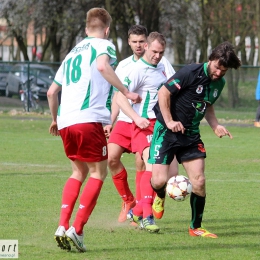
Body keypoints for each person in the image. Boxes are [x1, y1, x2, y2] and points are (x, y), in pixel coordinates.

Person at [47, 7, 141, 253]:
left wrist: (55, 119)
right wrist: (126, 91)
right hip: (87, 119)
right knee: (98, 173)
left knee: (77, 172)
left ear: (86, 28)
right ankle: (77, 230)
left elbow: (51, 92)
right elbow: (102, 67)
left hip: (66, 121)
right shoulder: (103, 45)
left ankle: (61, 225)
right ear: (106, 29)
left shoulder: (70, 54)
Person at [148, 41, 241, 238]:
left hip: (190, 134)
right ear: (210, 60)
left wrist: (215, 125)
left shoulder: (220, 83)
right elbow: (163, 92)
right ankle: (160, 194)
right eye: (217, 68)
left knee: (199, 181)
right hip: (166, 131)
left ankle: (195, 227)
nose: (218, 73)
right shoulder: (189, 72)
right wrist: (170, 121)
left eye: (223, 71)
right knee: (158, 180)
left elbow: (207, 105)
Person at [104, 25, 178, 223]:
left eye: (160, 52)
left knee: (160, 169)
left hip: (156, 123)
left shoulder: (163, 65)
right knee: (113, 157)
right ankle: (136, 206)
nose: (138, 45)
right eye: (134, 42)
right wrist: (111, 121)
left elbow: (173, 88)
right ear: (132, 43)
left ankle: (144, 206)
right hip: (132, 120)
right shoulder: (128, 67)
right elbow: (118, 96)